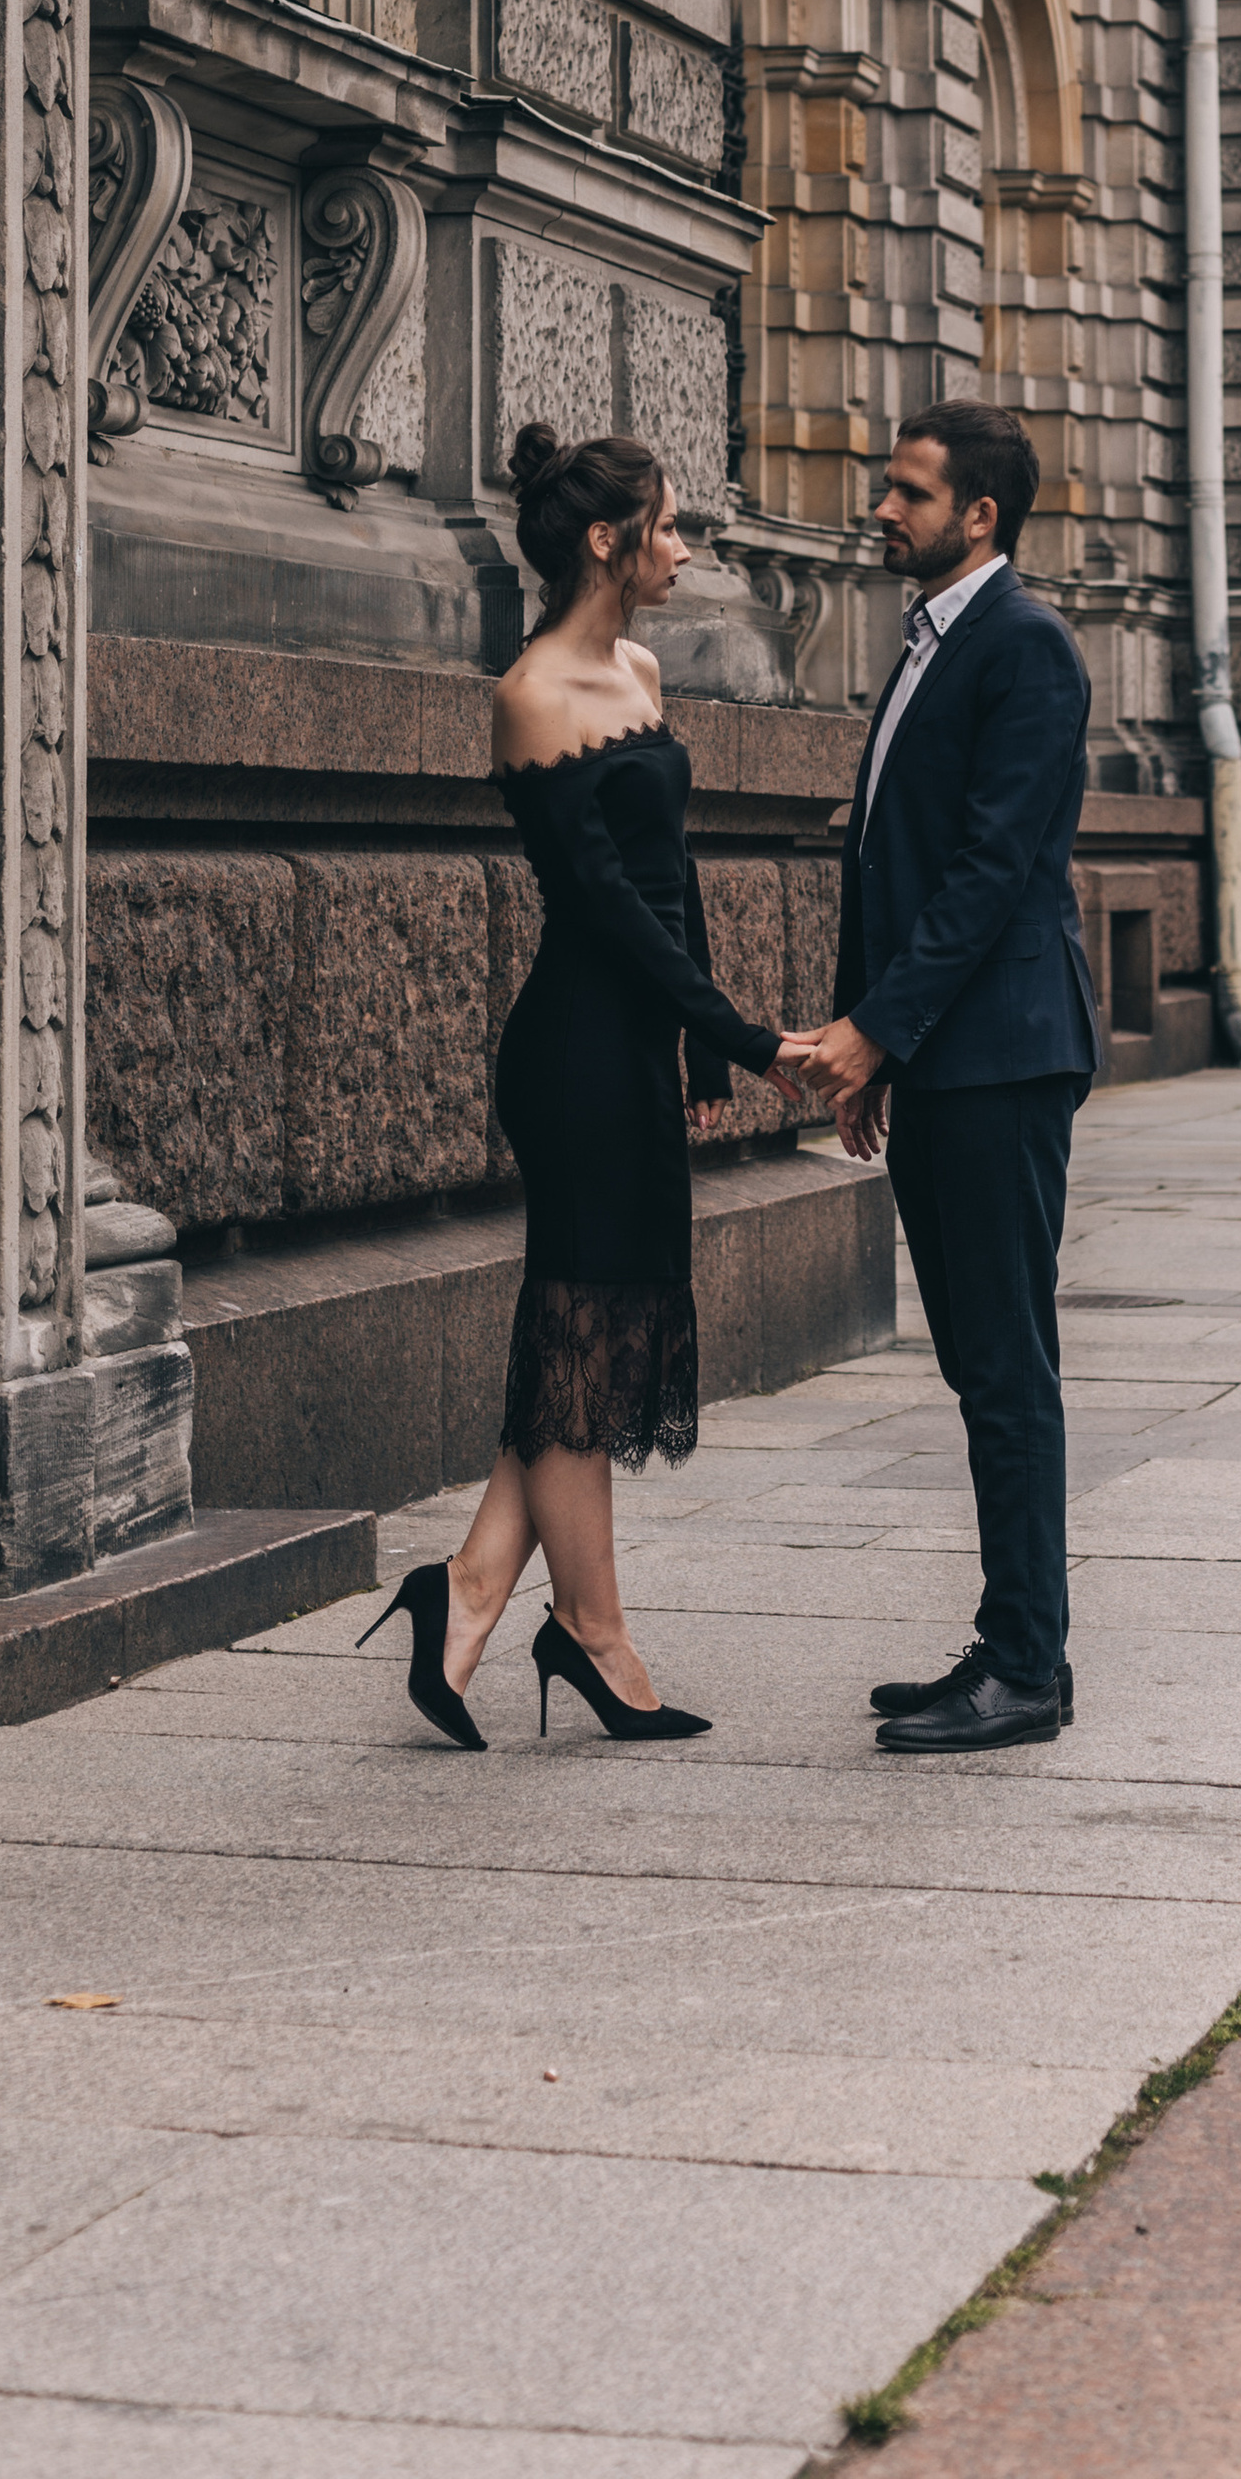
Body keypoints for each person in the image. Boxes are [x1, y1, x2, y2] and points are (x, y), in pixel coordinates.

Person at [358, 434, 810, 1749]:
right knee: (580, 1335)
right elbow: (609, 910)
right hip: (572, 1058)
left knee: (582, 1341)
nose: (684, 548)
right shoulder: (536, 692)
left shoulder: (641, 669)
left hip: (640, 1051)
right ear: (610, 542)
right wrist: (742, 1027)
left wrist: (709, 1049)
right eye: (669, 528)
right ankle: (598, 1640)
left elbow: (672, 868)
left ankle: (473, 1594)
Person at [795, 404, 1101, 1755]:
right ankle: (1010, 1638)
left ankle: (1028, 1668)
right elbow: (890, 858)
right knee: (983, 1365)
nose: (883, 506)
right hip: (949, 1058)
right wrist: (878, 1047)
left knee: (1007, 1366)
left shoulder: (1024, 647)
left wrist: (877, 1033)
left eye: (909, 491)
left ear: (979, 515)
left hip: (1005, 1056)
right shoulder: (934, 643)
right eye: (887, 485)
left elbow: (988, 874)